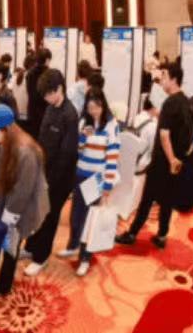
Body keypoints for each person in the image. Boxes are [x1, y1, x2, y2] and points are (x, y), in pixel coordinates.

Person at [116, 62, 193, 249]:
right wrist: (177, 160)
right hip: (176, 161)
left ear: (174, 79)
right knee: (167, 198)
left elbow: (164, 135)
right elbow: (186, 132)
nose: (161, 80)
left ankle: (132, 233)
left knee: (148, 197)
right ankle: (162, 235)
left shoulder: (169, 103)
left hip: (163, 161)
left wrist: (171, 159)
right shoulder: (185, 101)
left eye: (164, 76)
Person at [0, 105, 48, 301]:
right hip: (4, 199)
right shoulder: (1, 143)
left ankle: (4, 286)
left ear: (5, 129)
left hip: (20, 207)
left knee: (10, 246)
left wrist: (9, 217)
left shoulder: (26, 152)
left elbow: (22, 192)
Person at [23, 69, 80, 276]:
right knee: (37, 211)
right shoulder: (50, 108)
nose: (46, 99)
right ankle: (31, 247)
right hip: (44, 170)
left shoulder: (70, 115)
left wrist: (49, 181)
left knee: (49, 216)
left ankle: (41, 257)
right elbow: (42, 139)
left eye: (49, 94)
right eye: (44, 95)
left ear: (59, 89)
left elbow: (67, 155)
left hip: (60, 179)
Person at [59, 88, 120, 276]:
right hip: (80, 174)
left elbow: (112, 156)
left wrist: (107, 184)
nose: (93, 111)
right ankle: (73, 245)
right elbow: (78, 150)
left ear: (103, 105)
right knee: (75, 216)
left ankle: (85, 258)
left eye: (96, 107)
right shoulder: (83, 121)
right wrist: (83, 137)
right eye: (90, 107)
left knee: (88, 219)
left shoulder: (111, 125)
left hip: (96, 178)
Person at [25, 48, 51, 138]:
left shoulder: (29, 73)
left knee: (33, 137)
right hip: (44, 111)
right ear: (47, 60)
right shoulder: (48, 74)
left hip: (32, 110)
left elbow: (29, 92)